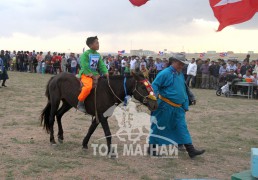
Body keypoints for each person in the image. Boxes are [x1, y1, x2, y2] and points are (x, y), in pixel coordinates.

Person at [148, 53, 205, 158]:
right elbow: (154, 87)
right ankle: (152, 149)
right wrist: (153, 101)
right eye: (180, 63)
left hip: (178, 108)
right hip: (164, 107)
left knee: (182, 127)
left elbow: (184, 88)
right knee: (158, 127)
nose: (181, 66)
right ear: (173, 62)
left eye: (183, 64)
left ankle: (190, 150)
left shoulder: (180, 74)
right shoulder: (164, 73)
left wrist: (190, 97)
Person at [77, 36, 109, 113]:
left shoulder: (98, 55)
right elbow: (84, 65)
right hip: (85, 74)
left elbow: (101, 65)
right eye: (97, 43)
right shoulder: (85, 54)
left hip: (95, 74)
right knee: (88, 87)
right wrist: (90, 74)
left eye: (98, 43)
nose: (98, 44)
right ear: (91, 45)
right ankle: (80, 102)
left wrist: (106, 72)